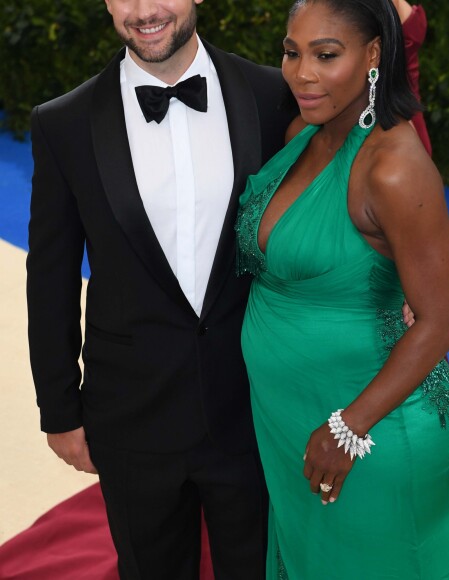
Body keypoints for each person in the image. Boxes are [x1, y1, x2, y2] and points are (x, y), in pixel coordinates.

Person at [26, 0, 297, 577]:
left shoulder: (274, 95)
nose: (145, 10)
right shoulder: (64, 123)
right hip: (131, 415)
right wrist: (58, 408)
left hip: (253, 404)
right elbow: (49, 275)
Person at [235, 0, 449, 576]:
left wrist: (347, 427)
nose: (302, 73)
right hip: (289, 422)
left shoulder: (393, 167)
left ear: (373, 54)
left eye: (326, 55)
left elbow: (440, 320)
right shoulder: (301, 135)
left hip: (371, 433)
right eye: (291, 51)